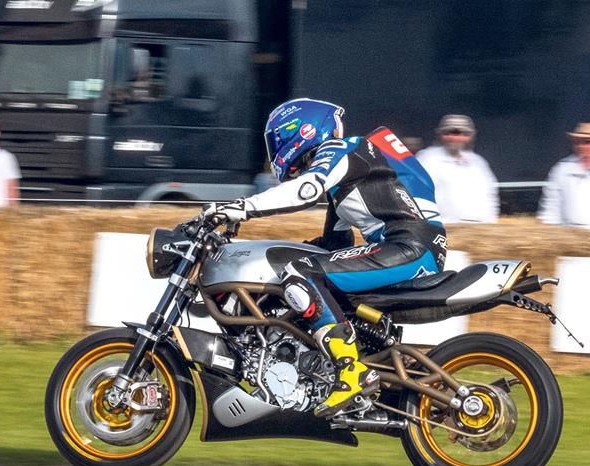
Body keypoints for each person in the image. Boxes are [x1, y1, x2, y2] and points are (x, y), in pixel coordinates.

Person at [200, 98, 446, 417]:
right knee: (305, 272)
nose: (275, 150)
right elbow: (335, 242)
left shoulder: (342, 149)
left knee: (300, 274)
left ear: (303, 130)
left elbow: (306, 190)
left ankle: (350, 372)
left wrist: (239, 207)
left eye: (278, 139)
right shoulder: (349, 175)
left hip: (409, 247)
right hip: (408, 246)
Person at [416, 114, 499, 223]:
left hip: (481, 228)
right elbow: (417, 193)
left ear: (470, 136)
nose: (455, 138)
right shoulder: (427, 159)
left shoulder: (478, 162)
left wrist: (491, 222)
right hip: (444, 229)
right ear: (440, 134)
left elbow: (491, 196)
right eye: (449, 133)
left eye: (463, 133)